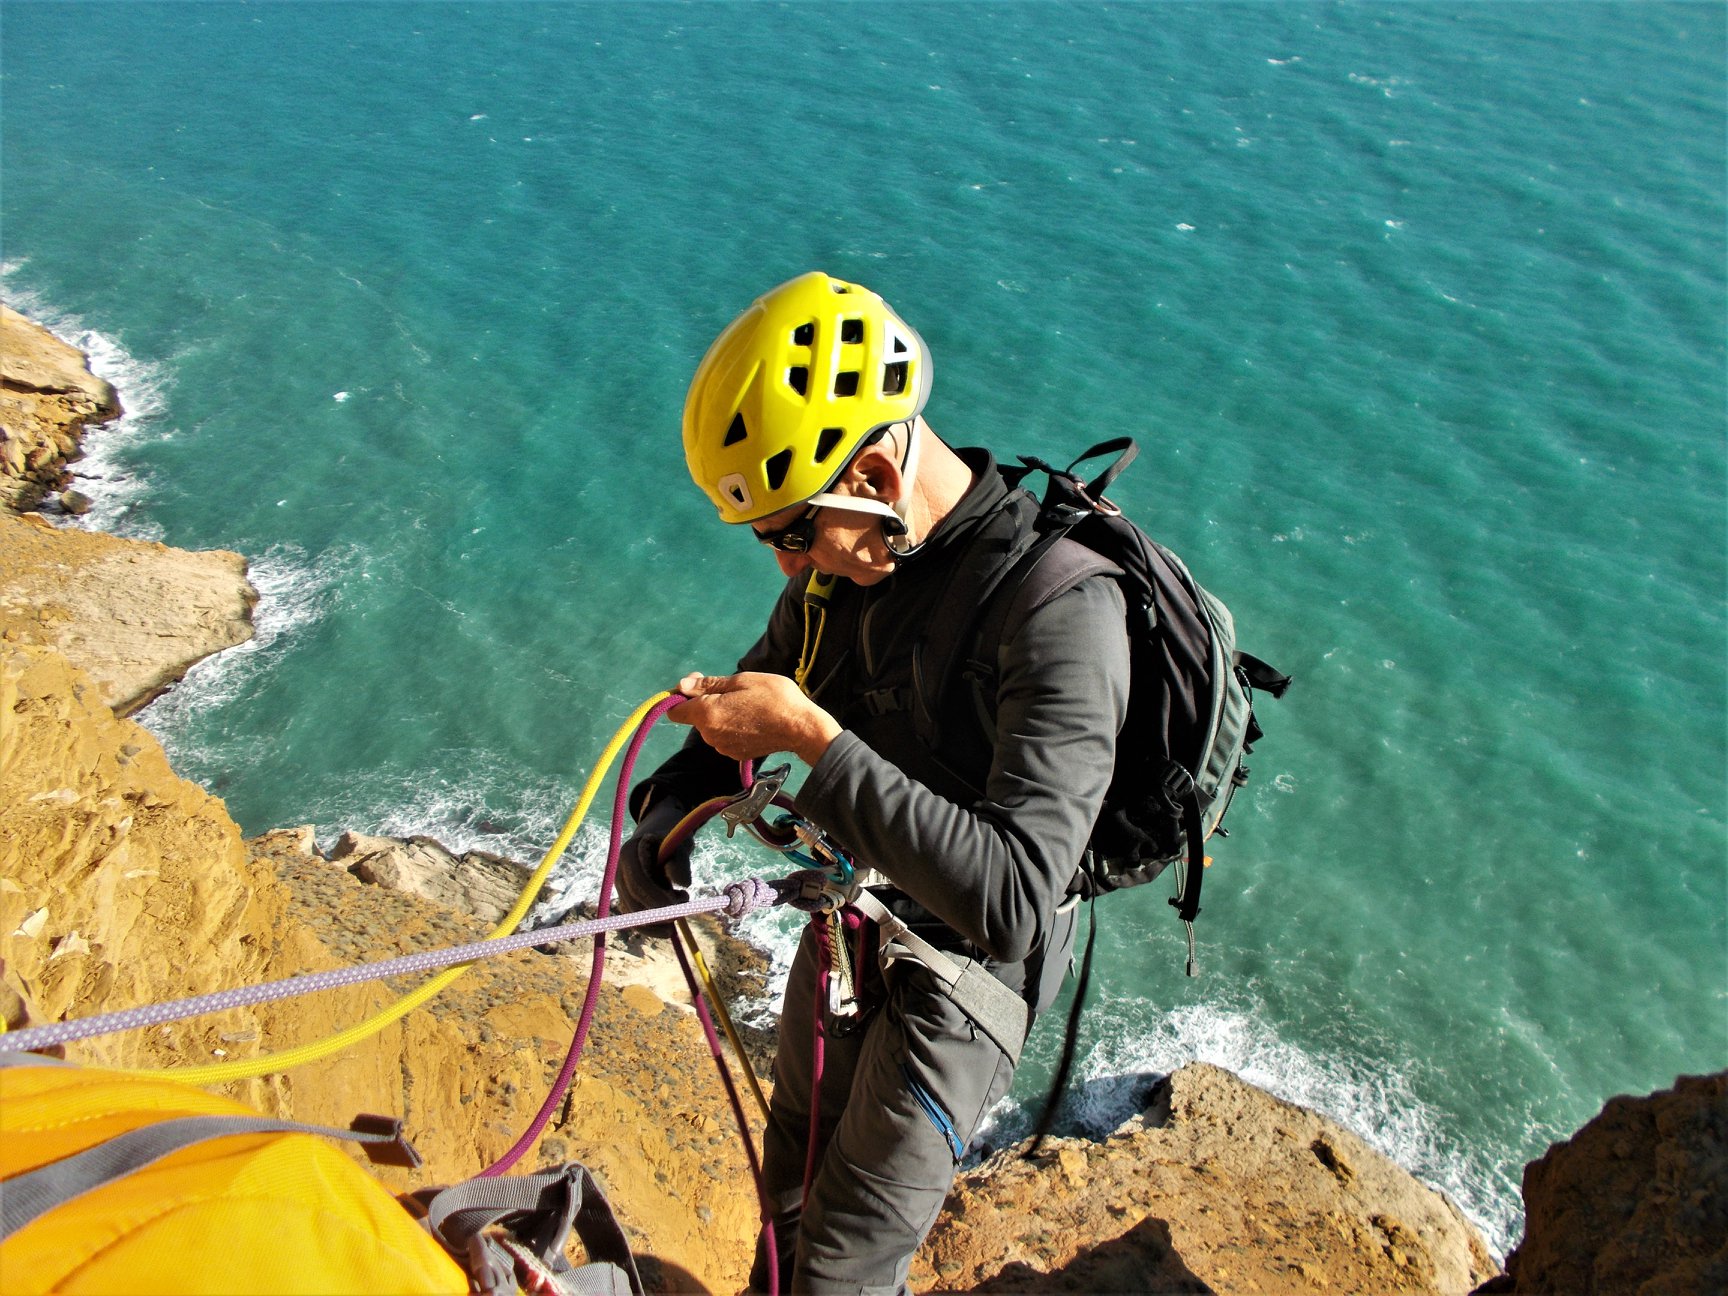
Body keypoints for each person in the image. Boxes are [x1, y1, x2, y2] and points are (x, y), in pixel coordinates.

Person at [616, 270, 1130, 1295]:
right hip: (849, 921)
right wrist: (665, 815)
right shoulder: (843, 574)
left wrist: (815, 740)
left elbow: (1012, 902)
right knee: (789, 1191)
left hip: (964, 980)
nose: (784, 565)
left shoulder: (1061, 612)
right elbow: (750, 704)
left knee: (841, 1267)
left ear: (875, 473)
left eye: (791, 531)